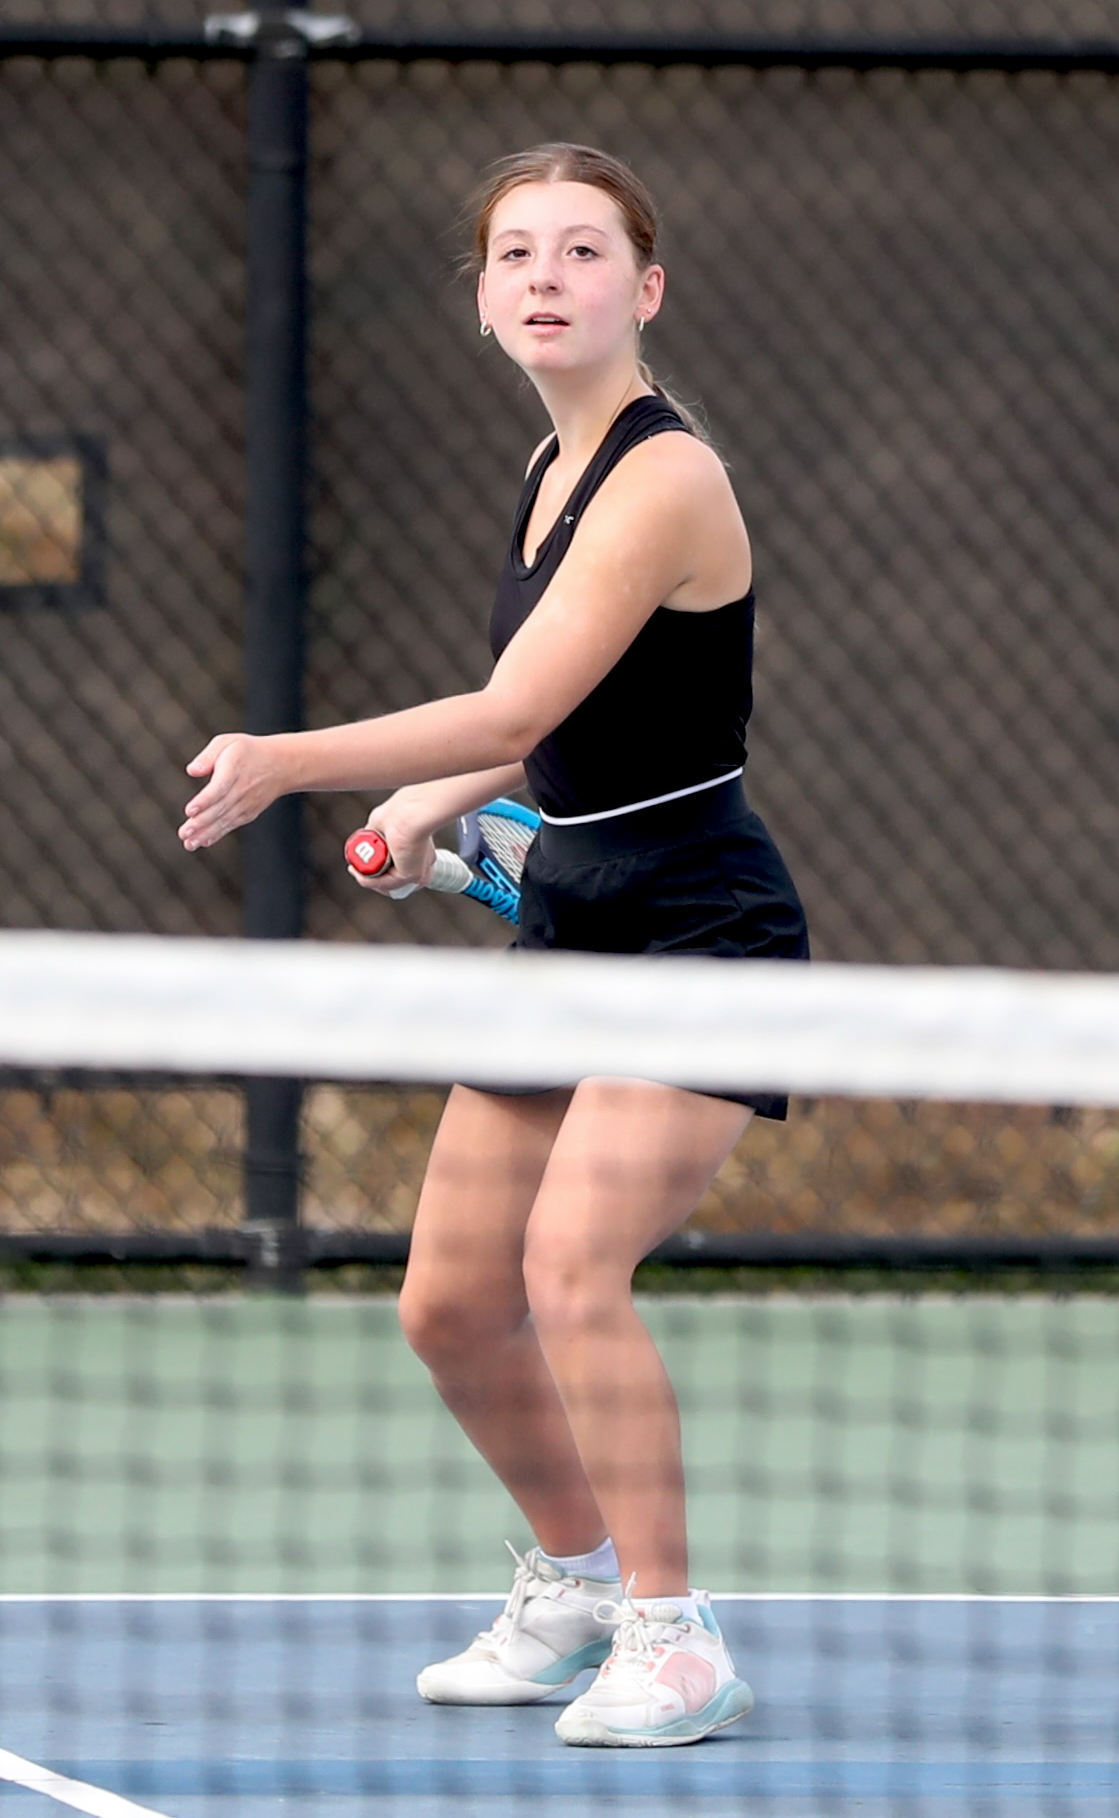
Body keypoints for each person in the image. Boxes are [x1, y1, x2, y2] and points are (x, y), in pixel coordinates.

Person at [179, 142, 809, 1749]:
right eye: (517, 252)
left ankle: (674, 1634)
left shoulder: (667, 478)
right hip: (574, 912)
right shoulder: (548, 469)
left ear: (645, 289)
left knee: (568, 1267)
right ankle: (577, 1584)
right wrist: (425, 802)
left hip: (702, 932)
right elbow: (553, 726)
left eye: (584, 250)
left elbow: (516, 703)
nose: (546, 276)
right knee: (452, 1303)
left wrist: (289, 759)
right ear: (481, 298)